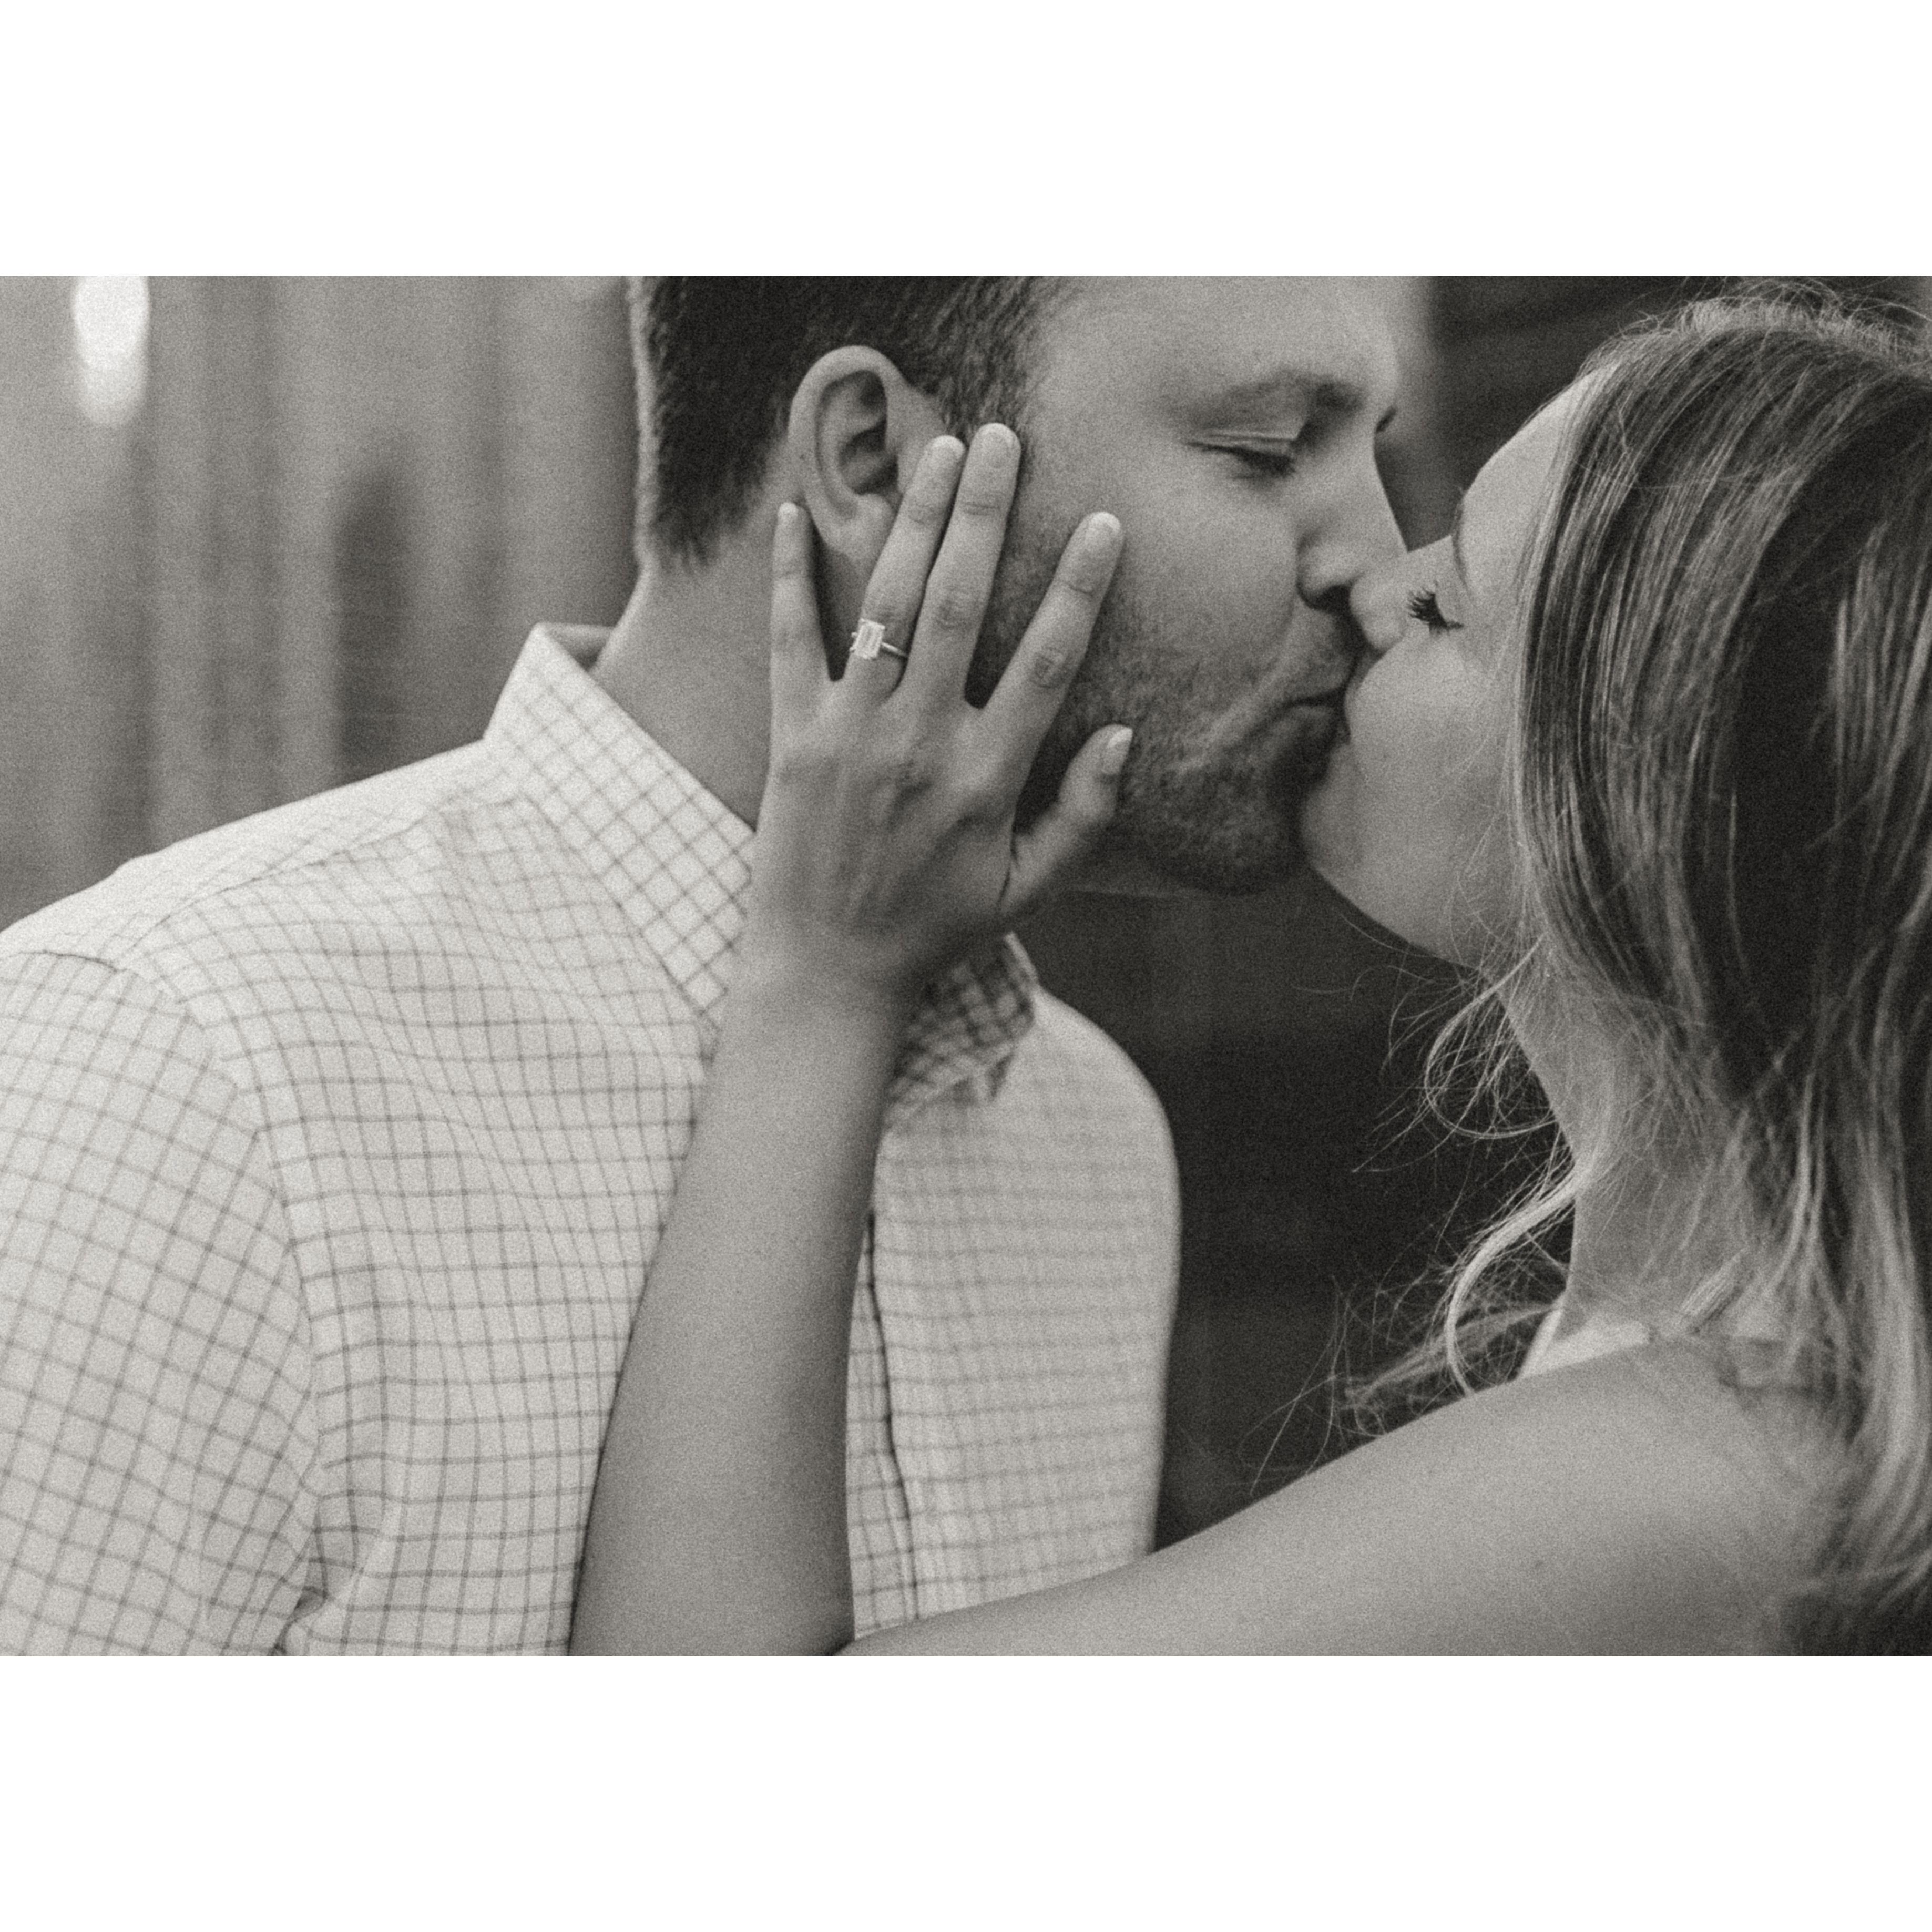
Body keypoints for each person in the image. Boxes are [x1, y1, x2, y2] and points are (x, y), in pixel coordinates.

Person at [0, 278, 1402, 1652]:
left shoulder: (1089, 1139)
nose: (1379, 565)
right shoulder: (175, 1076)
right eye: (1269, 450)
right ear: (870, 459)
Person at [571, 292, 1932, 1654]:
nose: (1374, 579)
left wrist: (827, 979)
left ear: (1642, 799)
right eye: (1268, 451)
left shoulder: (1694, 1469)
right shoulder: (1741, 1402)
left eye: (1447, 604)